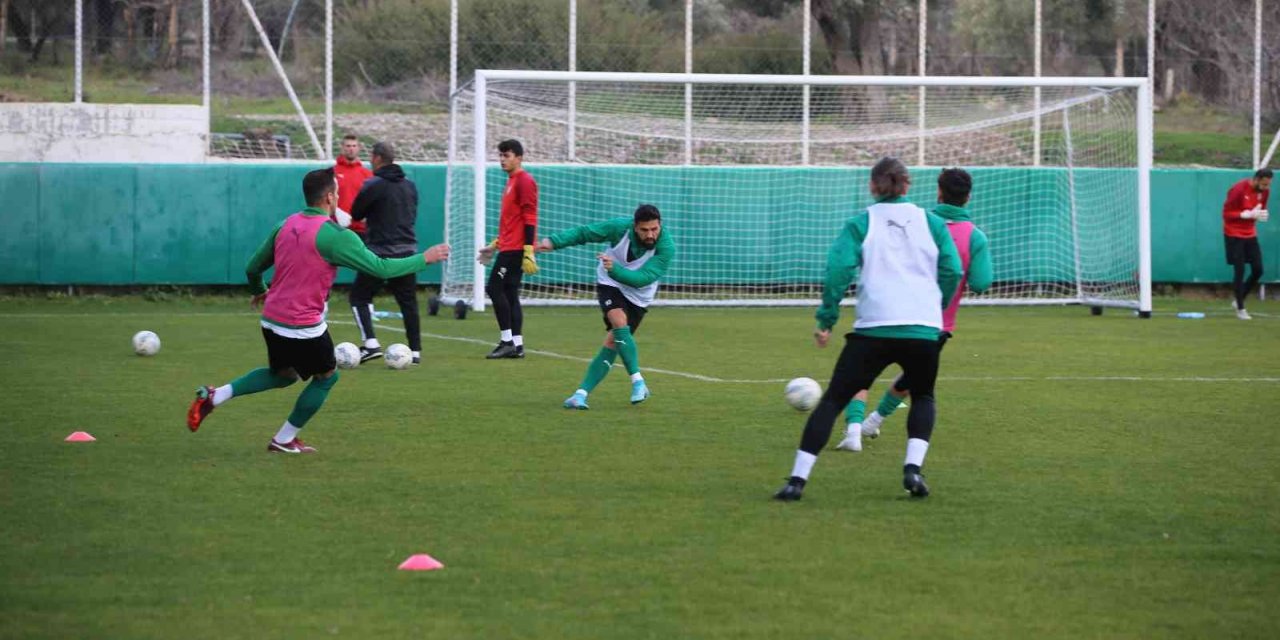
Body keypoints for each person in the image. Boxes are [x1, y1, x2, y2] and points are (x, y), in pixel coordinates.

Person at [186, 168, 450, 452]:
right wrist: (425, 258)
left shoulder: (286, 224)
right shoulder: (335, 236)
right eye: (337, 192)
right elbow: (381, 267)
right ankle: (284, 439)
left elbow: (253, 267)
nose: (338, 196)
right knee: (327, 377)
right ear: (329, 197)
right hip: (301, 326)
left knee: (283, 375)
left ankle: (214, 397)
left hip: (272, 320)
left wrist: (259, 290)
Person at [775, 157, 962, 501]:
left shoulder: (861, 223)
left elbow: (838, 270)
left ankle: (797, 481)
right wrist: (935, 306)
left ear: (872, 186)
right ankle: (912, 472)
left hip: (874, 330)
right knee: (923, 395)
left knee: (832, 401)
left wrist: (826, 319)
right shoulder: (932, 223)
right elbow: (952, 269)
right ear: (907, 185)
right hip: (922, 330)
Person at [835, 168, 993, 452]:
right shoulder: (975, 237)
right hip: (935, 325)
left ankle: (857, 428)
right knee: (914, 379)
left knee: (860, 373)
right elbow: (981, 283)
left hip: (885, 311)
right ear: (969, 197)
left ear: (939, 191)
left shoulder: (920, 223)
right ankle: (877, 421)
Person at [536, 204, 674, 408]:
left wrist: (615, 269)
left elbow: (643, 278)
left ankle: (580, 395)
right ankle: (638, 381)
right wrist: (553, 242)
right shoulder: (619, 228)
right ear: (635, 226)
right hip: (610, 283)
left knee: (612, 343)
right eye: (645, 230)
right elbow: (585, 233)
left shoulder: (666, 247)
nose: (650, 234)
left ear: (660, 225)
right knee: (618, 322)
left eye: (654, 229)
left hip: (638, 295)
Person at [347, 141, 424, 363]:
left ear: (378, 158)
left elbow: (357, 213)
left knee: (359, 297)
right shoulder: (410, 186)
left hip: (379, 253)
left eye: (371, 157)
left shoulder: (374, 184)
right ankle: (416, 352)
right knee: (408, 302)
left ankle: (370, 344)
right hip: (407, 251)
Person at [477, 139, 539, 359]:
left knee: (494, 288)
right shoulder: (512, 181)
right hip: (509, 246)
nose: (502, 160)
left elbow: (529, 217)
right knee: (510, 293)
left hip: (515, 250)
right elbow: (511, 222)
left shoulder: (524, 181)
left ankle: (506, 341)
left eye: (507, 155)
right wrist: (494, 246)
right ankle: (518, 345)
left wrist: (528, 250)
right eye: (501, 156)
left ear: (519, 158)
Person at [1222, 167, 1271, 320]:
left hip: (1250, 233)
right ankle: (1241, 309)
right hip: (1233, 233)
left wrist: (1260, 215)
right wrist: (1244, 214)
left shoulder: (1264, 192)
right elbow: (1226, 214)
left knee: (1258, 269)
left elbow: (1260, 210)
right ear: (1256, 179)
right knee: (1240, 270)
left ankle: (1239, 299)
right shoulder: (1238, 189)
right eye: (1263, 184)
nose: (1265, 188)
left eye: (1268, 185)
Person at [332, 133, 373, 235]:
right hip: (338, 229)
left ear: (358, 148)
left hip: (361, 229)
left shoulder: (367, 174)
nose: (351, 149)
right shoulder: (332, 173)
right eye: (348, 146)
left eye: (354, 146)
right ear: (342, 148)